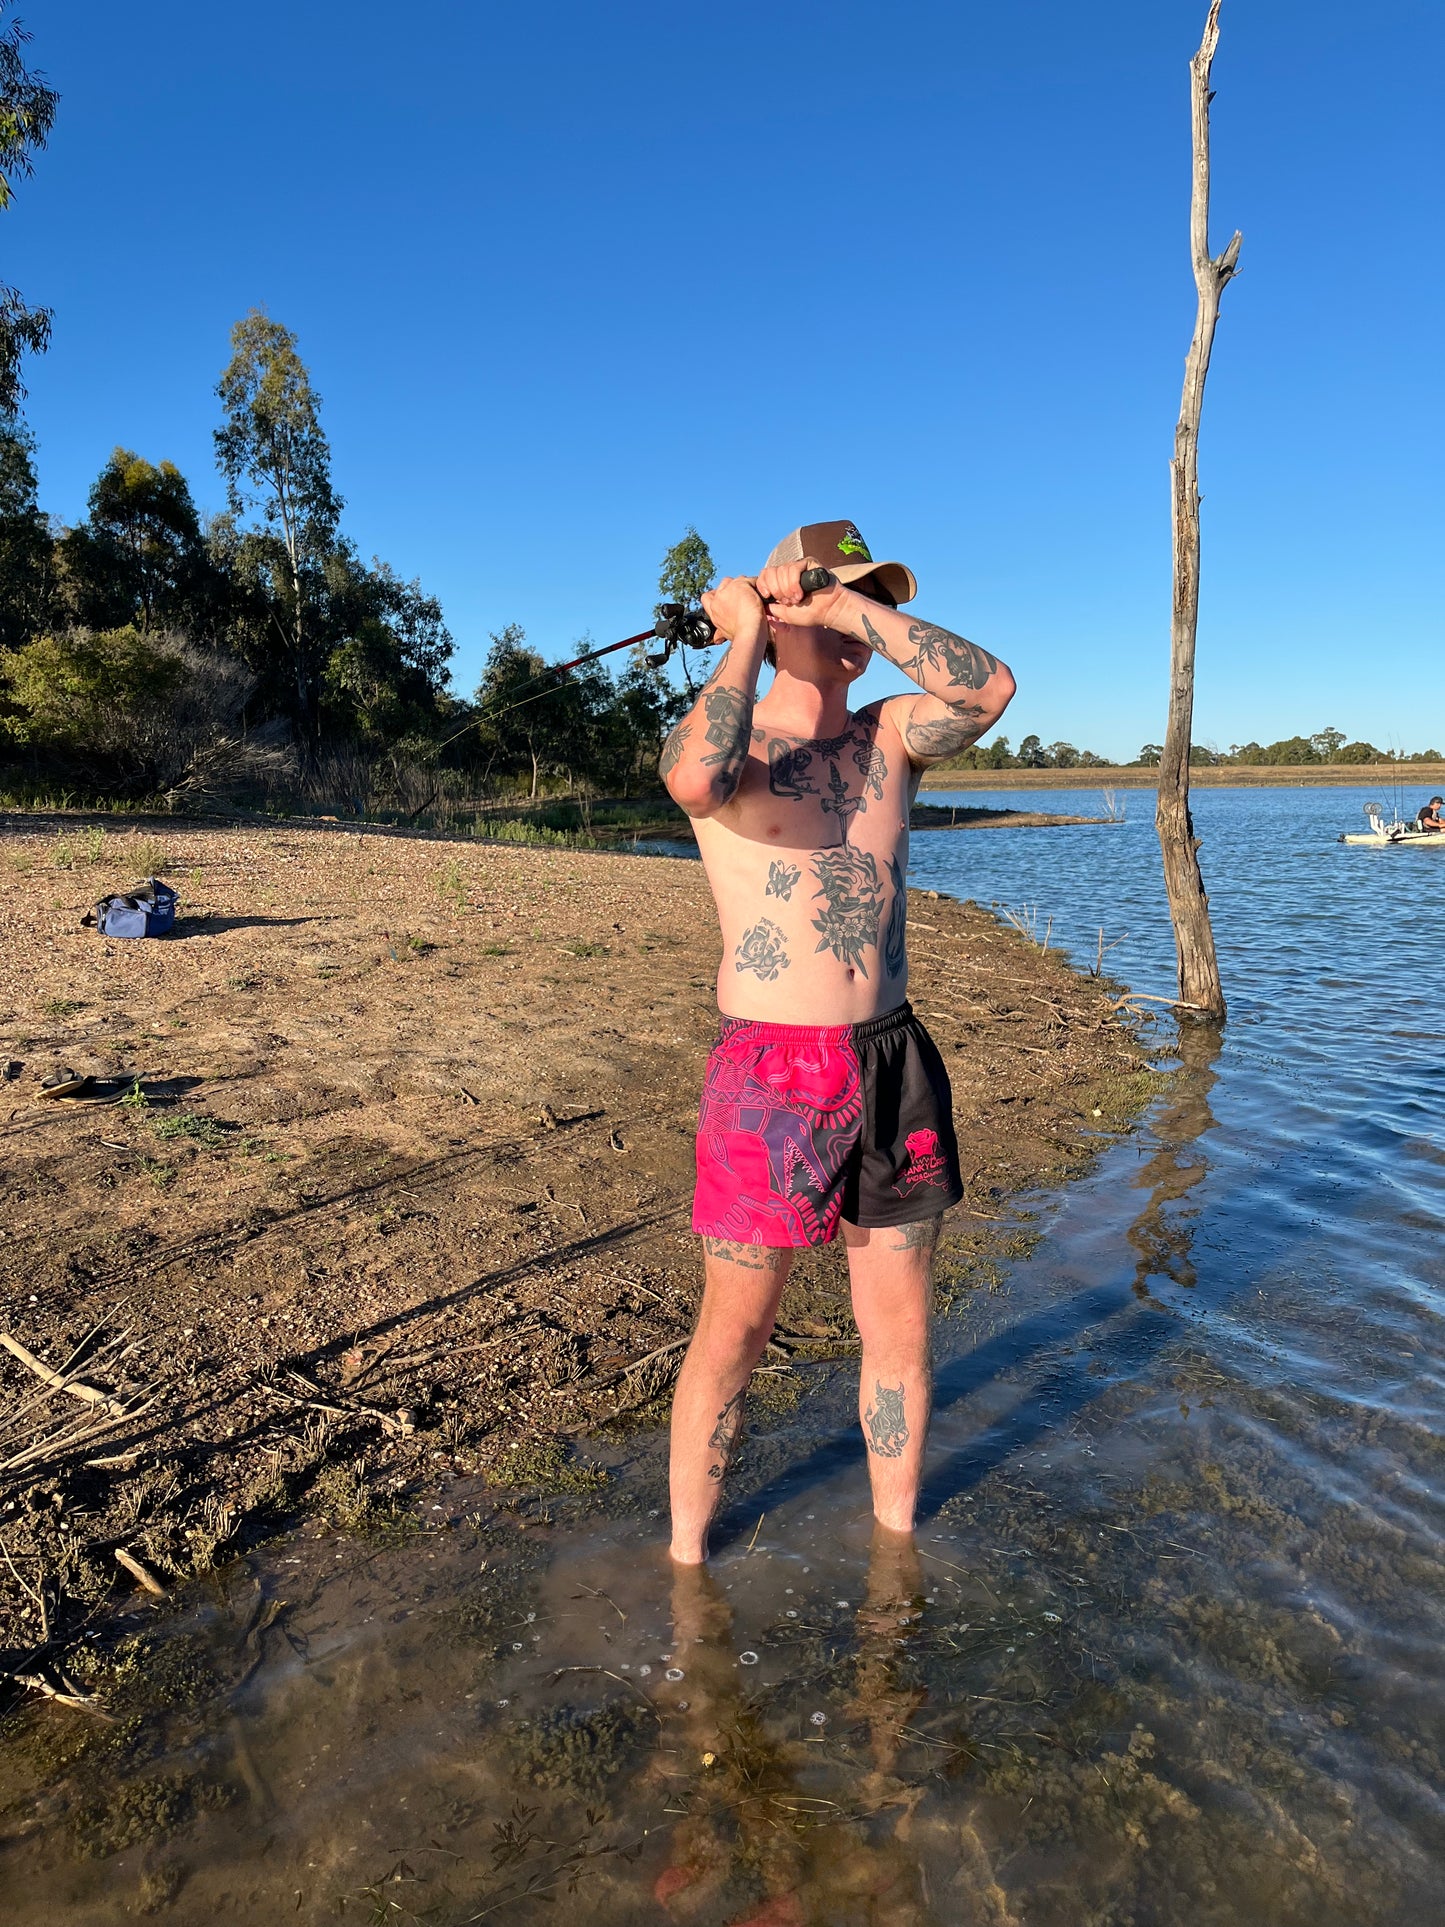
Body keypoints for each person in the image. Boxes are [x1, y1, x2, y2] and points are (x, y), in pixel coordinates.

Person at [659, 521, 1016, 1565]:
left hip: (890, 1061)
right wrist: (743, 629)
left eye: (863, 595)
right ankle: (686, 1565)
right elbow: (691, 782)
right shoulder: (732, 740)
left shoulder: (892, 735)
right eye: (828, 589)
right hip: (769, 1072)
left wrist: (847, 607)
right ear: (775, 615)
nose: (851, 616)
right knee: (736, 1330)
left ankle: (895, 1558)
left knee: (898, 1330)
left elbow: (988, 690)